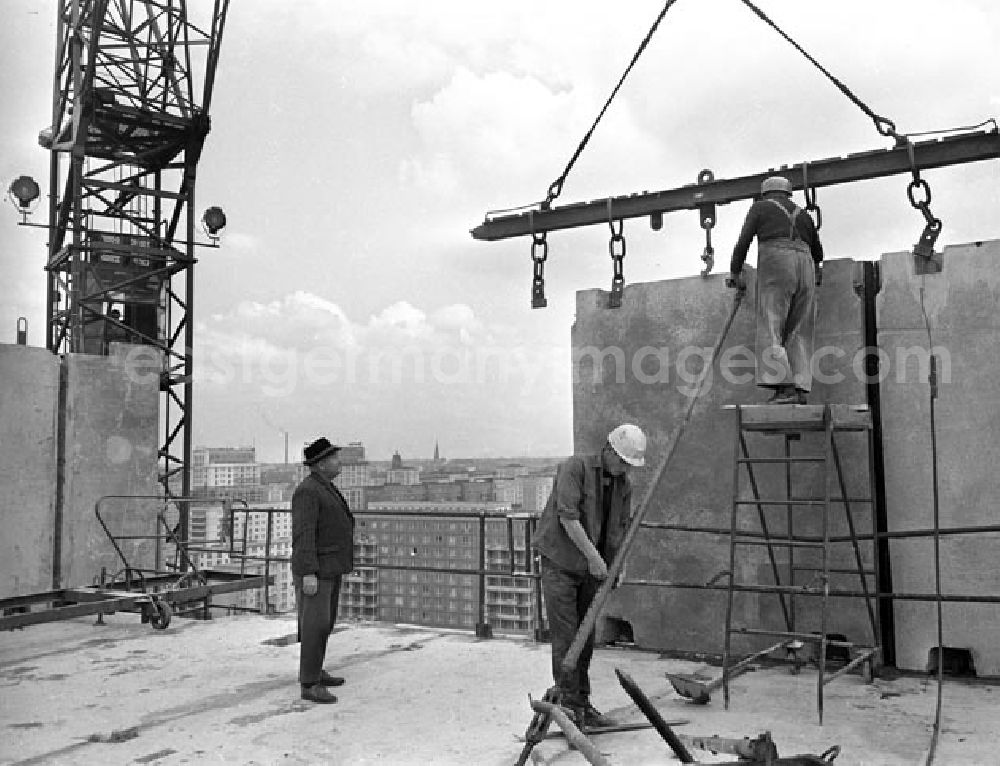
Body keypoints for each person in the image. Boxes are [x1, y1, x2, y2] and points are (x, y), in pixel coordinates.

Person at [534, 423, 646, 729]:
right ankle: (569, 708)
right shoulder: (575, 468)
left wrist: (619, 565)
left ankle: (581, 702)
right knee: (568, 637)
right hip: (560, 563)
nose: (623, 469)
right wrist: (596, 559)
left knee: (586, 638)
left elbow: (619, 529)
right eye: (621, 462)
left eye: (628, 465)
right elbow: (568, 518)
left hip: (590, 570)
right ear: (608, 449)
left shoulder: (624, 486)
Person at [729, 175, 824, 405]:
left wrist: (735, 271)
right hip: (806, 265)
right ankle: (799, 389)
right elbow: (818, 253)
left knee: (772, 325)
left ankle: (784, 388)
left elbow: (743, 242)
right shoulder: (803, 214)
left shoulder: (760, 208)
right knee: (799, 328)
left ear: (765, 193)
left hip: (777, 261)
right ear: (788, 193)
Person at [291, 437, 354, 704]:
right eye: (335, 458)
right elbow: (303, 535)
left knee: (324, 624)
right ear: (321, 464)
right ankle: (309, 683)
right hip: (316, 570)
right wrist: (308, 573)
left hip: (330, 567)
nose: (339, 462)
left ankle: (315, 670)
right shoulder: (308, 491)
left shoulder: (323, 487)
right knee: (315, 625)